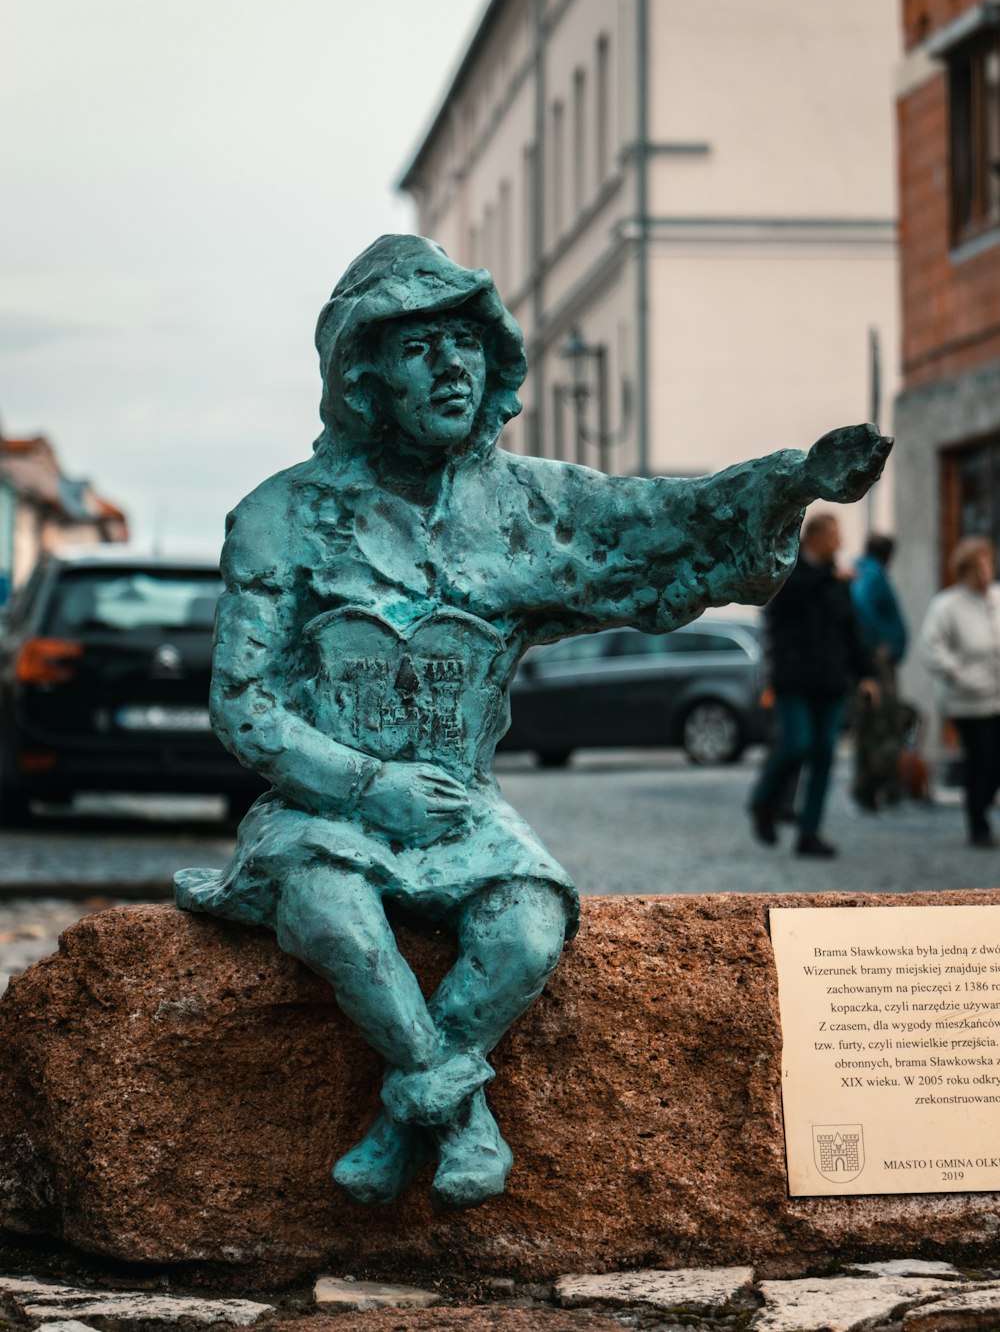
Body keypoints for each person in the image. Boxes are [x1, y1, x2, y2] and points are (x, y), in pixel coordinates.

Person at [173, 235, 889, 1209]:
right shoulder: (279, 518)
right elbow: (242, 704)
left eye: (466, 342)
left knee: (524, 929)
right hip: (325, 808)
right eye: (420, 345)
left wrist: (793, 480)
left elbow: (659, 522)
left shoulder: (524, 507)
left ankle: (405, 1115)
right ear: (365, 373)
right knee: (330, 916)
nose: (451, 364)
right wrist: (365, 784)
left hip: (463, 810)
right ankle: (459, 1113)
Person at [750, 512, 878, 857]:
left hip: (831, 682)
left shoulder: (837, 581)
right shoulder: (789, 573)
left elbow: (851, 630)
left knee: (824, 755)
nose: (840, 543)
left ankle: (810, 833)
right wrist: (829, 578)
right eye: (834, 536)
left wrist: (866, 674)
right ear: (814, 539)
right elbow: (790, 600)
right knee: (797, 744)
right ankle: (764, 801)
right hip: (794, 681)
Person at [920, 536, 1000, 847]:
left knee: (995, 763)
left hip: (998, 696)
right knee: (979, 761)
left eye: (988, 566)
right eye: (978, 568)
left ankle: (982, 809)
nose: (984, 574)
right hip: (967, 700)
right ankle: (977, 823)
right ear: (964, 571)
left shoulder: (996, 598)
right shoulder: (947, 605)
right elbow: (932, 649)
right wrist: (958, 675)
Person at [850, 534, 908, 810]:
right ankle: (871, 786)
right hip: (877, 663)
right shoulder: (872, 575)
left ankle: (870, 787)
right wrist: (878, 644)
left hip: (873, 659)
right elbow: (862, 606)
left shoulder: (862, 571)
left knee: (873, 726)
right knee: (883, 725)